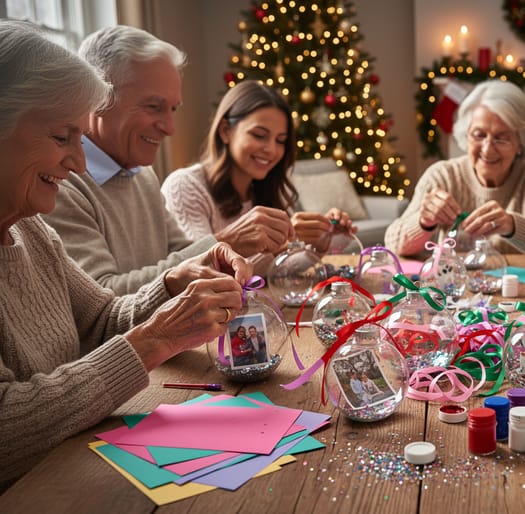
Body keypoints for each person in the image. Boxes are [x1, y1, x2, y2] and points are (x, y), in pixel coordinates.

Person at [0, 20, 251, 491]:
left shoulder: (30, 230)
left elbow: (100, 320)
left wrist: (173, 284)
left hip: (72, 466)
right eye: (61, 137)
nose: (77, 162)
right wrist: (152, 340)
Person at [40, 26, 293, 295]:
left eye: (173, 109)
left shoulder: (143, 175)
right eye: (154, 107)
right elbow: (102, 299)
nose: (171, 128)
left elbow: (181, 255)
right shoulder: (59, 183)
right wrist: (225, 242)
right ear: (98, 99)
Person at [160, 81, 355, 261]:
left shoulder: (266, 188)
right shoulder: (185, 186)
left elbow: (282, 272)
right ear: (225, 131)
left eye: (280, 140)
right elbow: (199, 268)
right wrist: (283, 242)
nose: (271, 149)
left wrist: (319, 242)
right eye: (259, 135)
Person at [384, 80, 525, 258]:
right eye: (479, 135)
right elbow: (393, 243)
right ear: (466, 134)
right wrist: (424, 222)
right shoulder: (442, 176)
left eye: (501, 138)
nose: (487, 149)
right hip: (455, 286)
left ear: (520, 142)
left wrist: (512, 226)